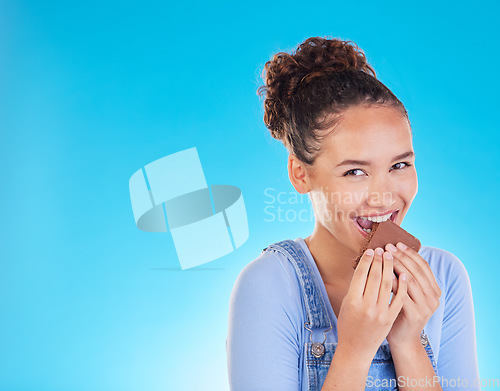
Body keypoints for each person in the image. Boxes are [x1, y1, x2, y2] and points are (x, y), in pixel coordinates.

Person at [226, 37, 480, 391]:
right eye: (355, 172)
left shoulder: (444, 278)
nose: (384, 196)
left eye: (400, 165)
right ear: (301, 173)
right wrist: (355, 349)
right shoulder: (269, 286)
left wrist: (407, 341)